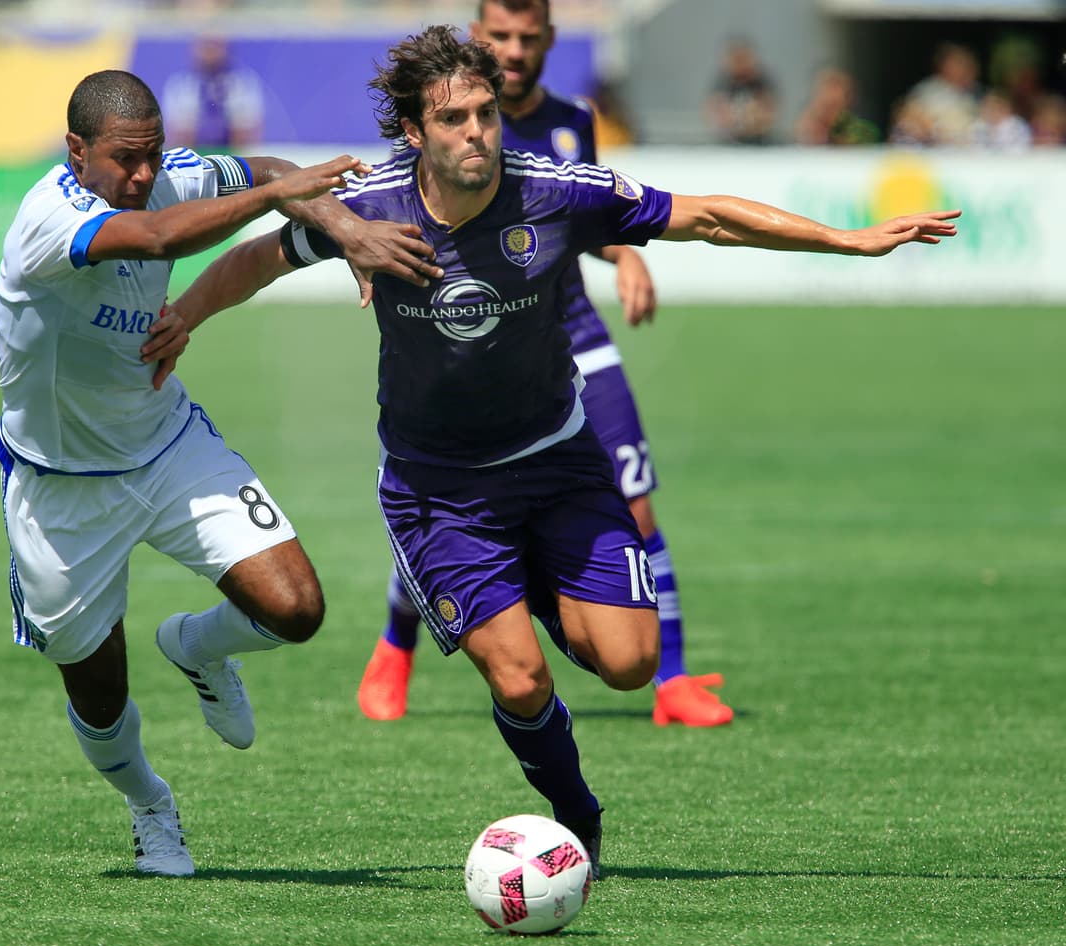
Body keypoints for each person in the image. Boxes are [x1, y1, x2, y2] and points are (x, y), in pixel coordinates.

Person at [150, 27, 958, 878]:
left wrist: (850, 240)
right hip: (439, 492)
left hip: (559, 463)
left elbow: (708, 217)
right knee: (523, 683)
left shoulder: (555, 192)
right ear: (417, 133)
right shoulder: (373, 208)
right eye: (454, 118)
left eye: (487, 114)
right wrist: (186, 319)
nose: (477, 133)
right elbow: (259, 259)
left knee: (630, 664)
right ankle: (578, 815)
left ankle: (534, 582)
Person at [0, 69, 442, 877]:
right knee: (98, 699)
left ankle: (196, 645)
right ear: (76, 151)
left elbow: (266, 172)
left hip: (167, 446)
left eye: (153, 157)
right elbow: (163, 238)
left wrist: (346, 229)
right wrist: (285, 193)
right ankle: (150, 805)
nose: (142, 175)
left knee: (297, 608)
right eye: (125, 161)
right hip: (61, 487)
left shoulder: (168, 175)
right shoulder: (48, 219)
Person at [357, 0, 731, 729]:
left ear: (551, 41)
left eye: (530, 38)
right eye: (502, 37)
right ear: (477, 43)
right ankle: (397, 642)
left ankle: (672, 678)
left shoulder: (572, 120)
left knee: (635, 497)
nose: (517, 49)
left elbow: (586, 218)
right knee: (456, 497)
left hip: (568, 332)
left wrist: (626, 257)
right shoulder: (443, 119)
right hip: (469, 340)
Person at [161, 36, 265, 153]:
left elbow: (247, 130)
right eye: (205, 47)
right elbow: (178, 132)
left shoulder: (242, 84)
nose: (210, 53)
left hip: (231, 152)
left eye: (215, 47)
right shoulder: (180, 84)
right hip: (194, 151)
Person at [704, 37, 778, 145]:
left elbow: (769, 112)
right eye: (735, 59)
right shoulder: (722, 83)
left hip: (761, 144)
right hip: (726, 144)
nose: (739, 64)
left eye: (743, 58)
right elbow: (713, 112)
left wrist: (753, 118)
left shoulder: (762, 82)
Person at [793, 67, 880, 146]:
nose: (829, 93)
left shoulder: (863, 132)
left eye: (836, 85)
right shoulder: (803, 127)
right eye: (825, 84)